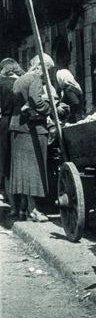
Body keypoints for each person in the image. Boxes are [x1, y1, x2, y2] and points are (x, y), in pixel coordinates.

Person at [8, 53, 64, 222]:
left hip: (18, 127)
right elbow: (36, 102)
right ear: (40, 66)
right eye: (47, 70)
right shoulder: (34, 79)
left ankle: (24, 208)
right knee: (34, 171)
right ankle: (34, 210)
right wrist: (54, 109)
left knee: (23, 172)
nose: (47, 74)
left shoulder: (20, 79)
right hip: (32, 129)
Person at [0, 58, 24, 215]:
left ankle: (13, 206)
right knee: (20, 164)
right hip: (22, 123)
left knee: (6, 164)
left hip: (5, 123)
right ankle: (24, 207)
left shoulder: (1, 83)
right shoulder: (23, 82)